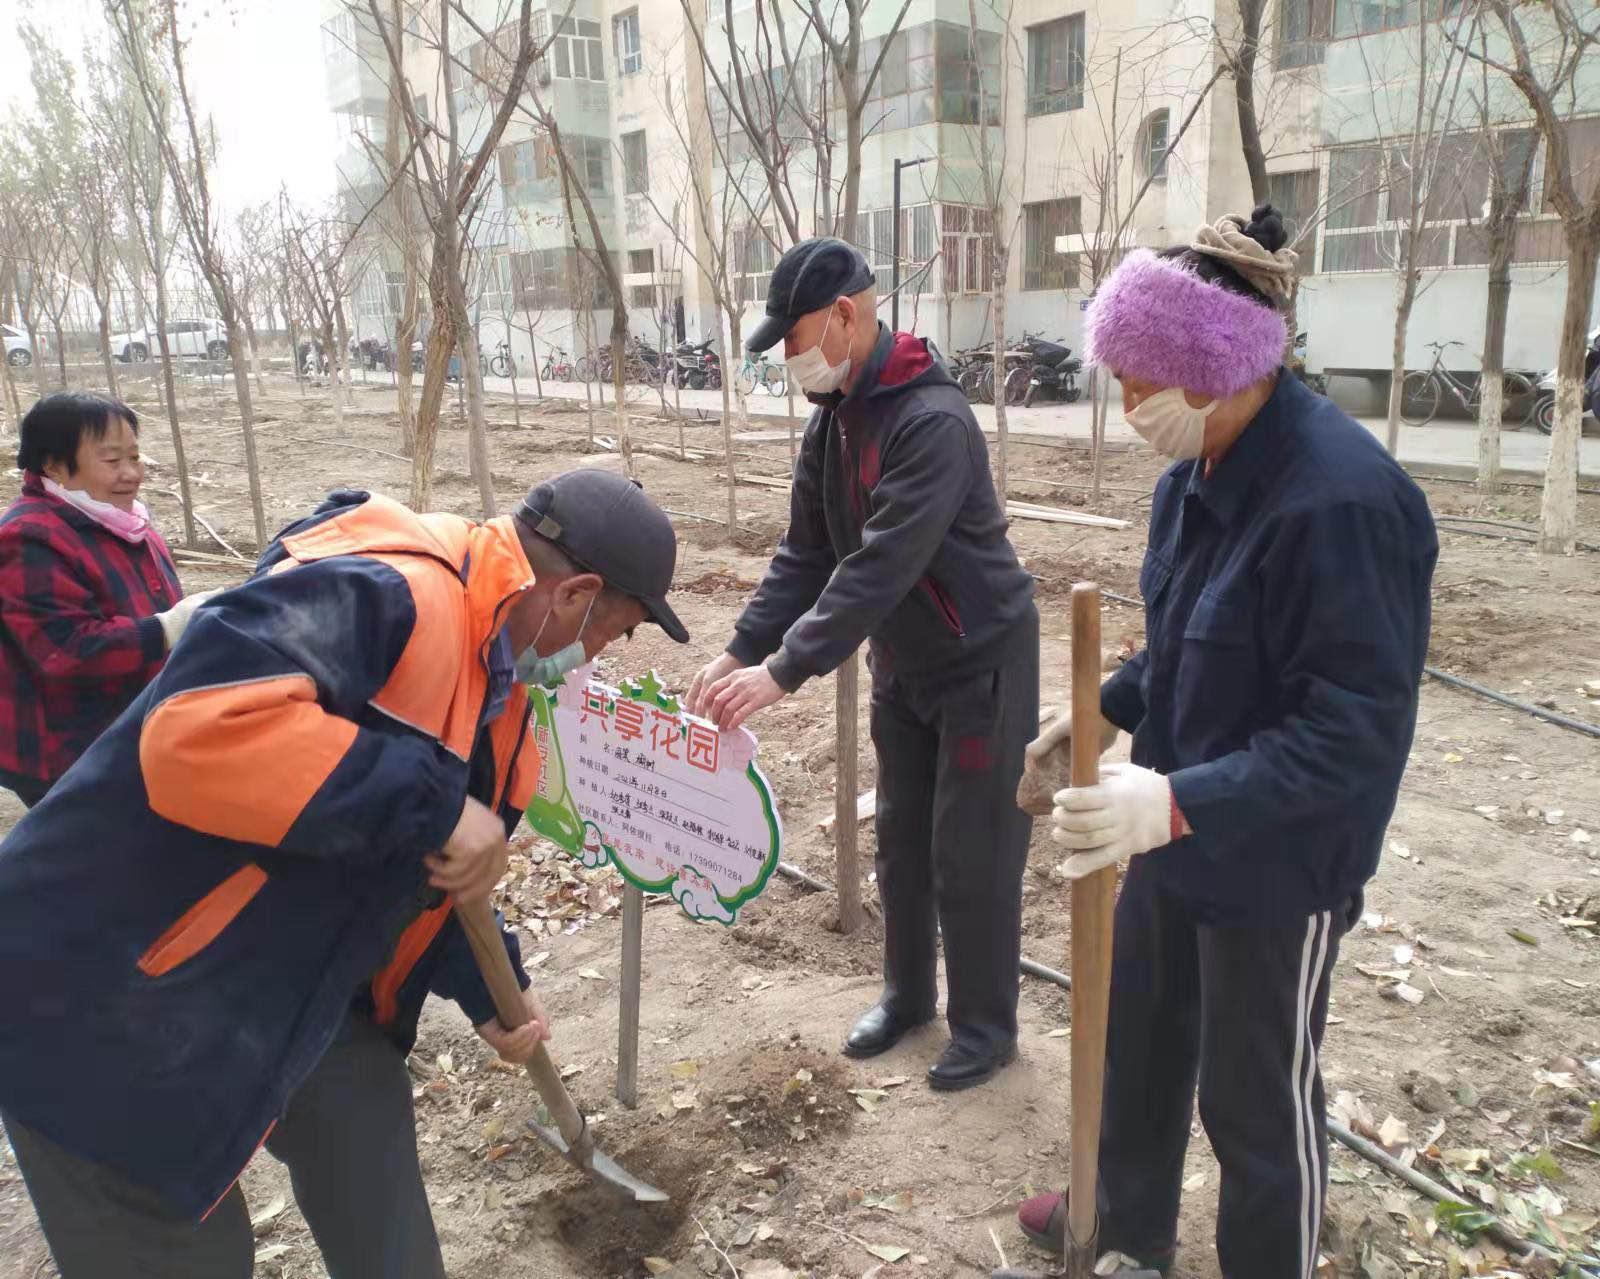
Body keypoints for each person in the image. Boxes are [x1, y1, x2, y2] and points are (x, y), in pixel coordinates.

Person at [0, 468, 689, 1279]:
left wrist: (484, 983)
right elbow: (192, 735)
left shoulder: (494, 686)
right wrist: (431, 802)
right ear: (575, 593)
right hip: (103, 992)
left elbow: (431, 862)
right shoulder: (386, 588)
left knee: (363, 1115)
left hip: (276, 969)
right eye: (611, 634)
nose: (589, 660)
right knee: (192, 1254)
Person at [1013, 207, 1437, 1278]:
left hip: (1279, 856)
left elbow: (1350, 734)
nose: (1125, 404)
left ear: (1213, 368)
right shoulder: (1191, 478)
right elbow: (1181, 649)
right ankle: (1123, 1229)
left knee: (1254, 1102)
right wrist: (1103, 710)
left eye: (1137, 379)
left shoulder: (1339, 504)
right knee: (1141, 1044)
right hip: (1171, 824)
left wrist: (1166, 800)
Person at [686, 237, 1039, 1092]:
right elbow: (805, 555)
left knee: (973, 849)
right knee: (901, 840)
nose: (790, 358)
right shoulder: (835, 419)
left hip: (980, 662)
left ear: (845, 315)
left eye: (796, 337)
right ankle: (907, 995)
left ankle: (986, 1026)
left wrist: (781, 673)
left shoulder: (933, 421)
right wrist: (739, 646)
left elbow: (880, 565)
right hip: (906, 664)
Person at [0, 392, 209, 809]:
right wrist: (167, 628)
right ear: (55, 465)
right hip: (64, 749)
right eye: (113, 461)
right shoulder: (29, 538)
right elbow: (66, 650)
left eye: (135, 456)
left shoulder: (120, 519)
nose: (132, 473)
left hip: (124, 726)